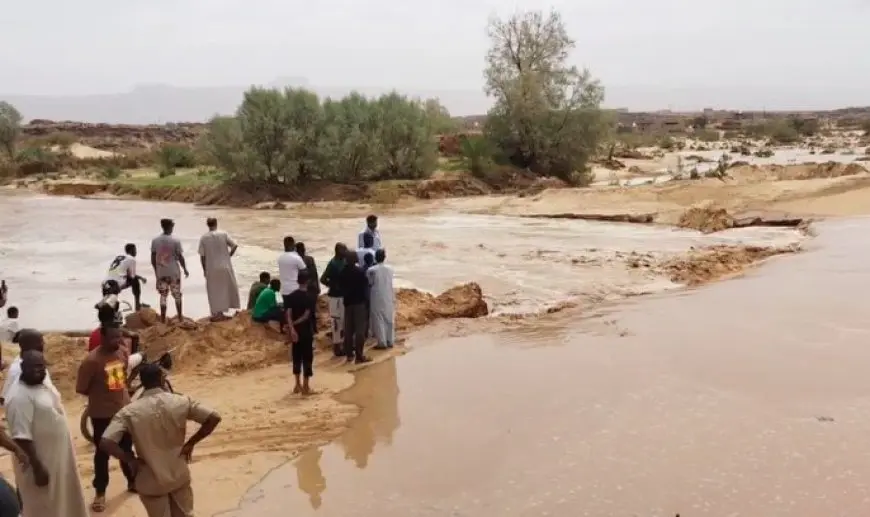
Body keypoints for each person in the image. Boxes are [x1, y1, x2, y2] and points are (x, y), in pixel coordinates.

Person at [99, 363, 221, 517]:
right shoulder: (181, 401)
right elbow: (214, 417)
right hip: (178, 474)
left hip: (151, 480)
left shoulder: (128, 412)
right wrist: (191, 443)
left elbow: (106, 442)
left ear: (142, 382)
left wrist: (130, 459)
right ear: (163, 379)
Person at [6, 349, 90, 517]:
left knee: (64, 501)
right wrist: (38, 468)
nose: (40, 371)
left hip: (58, 459)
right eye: (34, 367)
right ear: (23, 367)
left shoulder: (41, 382)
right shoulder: (18, 397)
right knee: (46, 506)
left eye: (42, 367)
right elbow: (21, 438)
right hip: (42, 462)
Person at [76, 324, 136, 512]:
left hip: (123, 410)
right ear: (102, 338)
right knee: (102, 455)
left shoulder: (122, 351)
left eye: (119, 337)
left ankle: (133, 481)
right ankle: (100, 493)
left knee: (127, 448)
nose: (117, 342)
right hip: (101, 414)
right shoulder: (91, 361)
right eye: (113, 338)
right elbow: (81, 388)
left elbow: (122, 376)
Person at [198, 217, 241, 321]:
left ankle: (218, 314)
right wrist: (228, 256)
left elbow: (202, 256)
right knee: (225, 289)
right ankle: (223, 312)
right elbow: (234, 245)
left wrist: (204, 270)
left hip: (212, 268)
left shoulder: (204, 238)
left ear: (207, 225)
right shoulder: (223, 234)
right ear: (216, 223)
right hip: (225, 266)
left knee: (214, 291)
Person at [1, 329, 57, 407]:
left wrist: (3, 399)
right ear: (34, 344)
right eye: (41, 341)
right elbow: (51, 392)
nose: (44, 343)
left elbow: (7, 388)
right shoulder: (33, 366)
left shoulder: (17, 363)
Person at [151, 218, 189, 324]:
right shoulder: (175, 240)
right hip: (173, 272)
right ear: (170, 227)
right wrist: (185, 269)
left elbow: (153, 259)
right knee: (177, 295)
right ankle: (180, 318)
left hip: (161, 272)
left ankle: (163, 320)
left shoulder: (155, 241)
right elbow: (180, 257)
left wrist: (156, 271)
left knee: (163, 295)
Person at [285, 271, 316, 394]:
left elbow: (288, 314)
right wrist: (296, 324)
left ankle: (297, 385)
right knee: (307, 357)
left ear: (297, 281)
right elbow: (306, 315)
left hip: (295, 332)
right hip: (306, 330)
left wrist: (291, 328)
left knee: (296, 356)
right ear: (307, 282)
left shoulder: (291, 296)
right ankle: (306, 386)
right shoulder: (309, 297)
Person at [340, 252, 371, 364]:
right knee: (360, 330)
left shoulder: (343, 272)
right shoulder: (360, 272)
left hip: (348, 303)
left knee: (348, 329)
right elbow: (365, 288)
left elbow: (340, 287)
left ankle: (349, 355)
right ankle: (359, 356)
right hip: (359, 303)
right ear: (356, 260)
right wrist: (367, 302)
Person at [320, 243, 347, 356]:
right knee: (336, 321)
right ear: (338, 251)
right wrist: (332, 285)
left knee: (344, 320)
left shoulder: (344, 261)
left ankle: (344, 345)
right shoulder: (332, 264)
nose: (345, 252)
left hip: (343, 295)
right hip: (335, 296)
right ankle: (336, 347)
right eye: (343, 250)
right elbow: (322, 279)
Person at [366, 249, 396, 349]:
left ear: (375, 257)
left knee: (378, 319)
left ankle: (382, 342)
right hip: (388, 295)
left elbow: (369, 283)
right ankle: (390, 340)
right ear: (384, 257)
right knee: (389, 318)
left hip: (376, 296)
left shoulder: (371, 270)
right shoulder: (390, 269)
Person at [105, 243, 148, 311]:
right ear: (131, 251)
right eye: (135, 250)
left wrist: (140, 277)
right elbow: (132, 276)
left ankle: (111, 307)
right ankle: (137, 305)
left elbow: (121, 271)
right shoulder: (132, 259)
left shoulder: (119, 257)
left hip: (106, 282)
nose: (136, 252)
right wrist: (141, 278)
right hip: (117, 284)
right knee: (135, 280)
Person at [295, 242, 320, 334]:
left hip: (306, 289)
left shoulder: (298, 262)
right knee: (311, 311)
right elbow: (315, 275)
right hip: (311, 289)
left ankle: (310, 329)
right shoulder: (309, 259)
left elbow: (312, 275)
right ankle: (314, 329)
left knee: (305, 311)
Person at [278, 236, 307, 309]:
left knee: (288, 310)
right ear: (293, 245)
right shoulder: (296, 258)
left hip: (284, 290)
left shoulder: (280, 258)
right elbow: (305, 272)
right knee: (297, 310)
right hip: (295, 289)